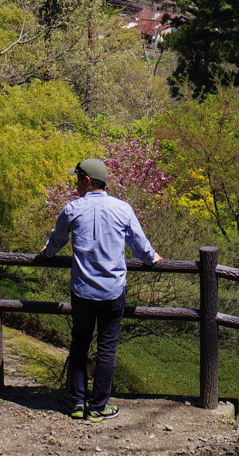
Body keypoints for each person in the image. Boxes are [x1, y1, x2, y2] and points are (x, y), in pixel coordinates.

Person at [41, 156, 161, 421]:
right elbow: (139, 244)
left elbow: (57, 240)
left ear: (86, 180)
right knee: (107, 348)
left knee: (79, 344)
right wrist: (152, 258)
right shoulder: (122, 208)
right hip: (112, 291)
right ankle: (97, 407)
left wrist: (48, 253)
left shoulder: (72, 209)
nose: (75, 185)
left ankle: (76, 403)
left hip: (83, 290)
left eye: (77, 179)